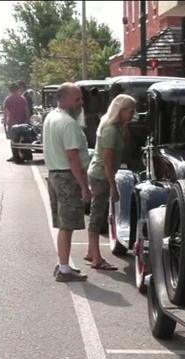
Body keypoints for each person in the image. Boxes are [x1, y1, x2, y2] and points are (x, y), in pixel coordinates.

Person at [43, 83, 90, 282]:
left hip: (55, 173)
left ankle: (64, 264)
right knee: (67, 225)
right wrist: (83, 186)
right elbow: (72, 157)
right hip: (66, 176)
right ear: (63, 99)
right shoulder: (68, 123)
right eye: (77, 99)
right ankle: (63, 269)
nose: (80, 102)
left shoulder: (51, 117)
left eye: (80, 98)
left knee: (65, 224)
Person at [85, 94, 135, 271]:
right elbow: (107, 161)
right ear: (120, 111)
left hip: (99, 173)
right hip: (101, 175)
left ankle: (91, 252)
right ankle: (96, 258)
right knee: (97, 216)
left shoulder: (113, 126)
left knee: (96, 213)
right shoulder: (111, 130)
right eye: (130, 111)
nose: (133, 114)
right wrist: (114, 187)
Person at [3, 83, 28, 163]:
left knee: (13, 140)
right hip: (22, 122)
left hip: (12, 122)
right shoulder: (22, 98)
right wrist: (27, 120)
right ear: (17, 90)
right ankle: (23, 155)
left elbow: (5, 111)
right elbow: (26, 110)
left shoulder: (8, 99)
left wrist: (5, 121)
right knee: (22, 139)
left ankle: (15, 156)